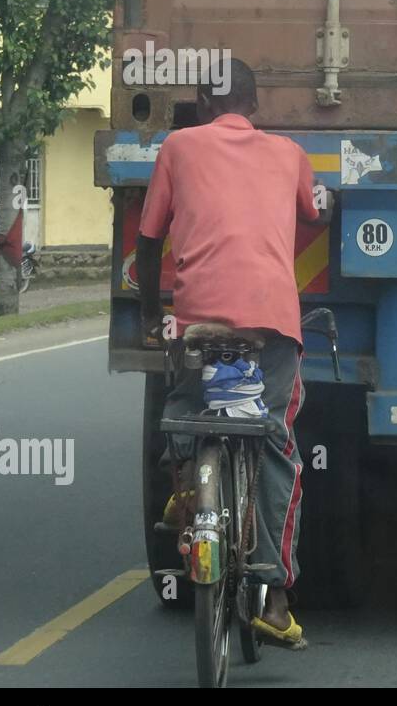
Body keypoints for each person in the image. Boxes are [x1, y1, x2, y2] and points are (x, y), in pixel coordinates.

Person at [137, 58, 328, 650]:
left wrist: (150, 315)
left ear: (200, 100)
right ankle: (274, 598)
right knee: (275, 444)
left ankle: (191, 488)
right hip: (271, 325)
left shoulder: (177, 146)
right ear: (255, 103)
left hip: (201, 323)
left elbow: (148, 241)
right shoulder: (288, 153)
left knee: (187, 406)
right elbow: (313, 212)